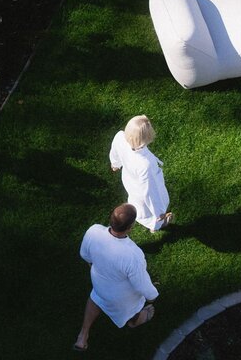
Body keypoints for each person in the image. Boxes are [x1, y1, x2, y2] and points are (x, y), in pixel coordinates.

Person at [74, 204, 158, 352]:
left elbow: (85, 256)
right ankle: (135, 321)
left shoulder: (93, 231)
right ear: (130, 227)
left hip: (99, 284)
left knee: (96, 297)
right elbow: (141, 285)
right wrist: (152, 297)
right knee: (134, 311)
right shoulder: (133, 255)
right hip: (121, 299)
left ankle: (83, 335)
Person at [109, 115, 173, 231]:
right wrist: (160, 212)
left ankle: (152, 220)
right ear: (147, 138)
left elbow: (115, 150)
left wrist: (115, 163)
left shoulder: (120, 137)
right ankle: (157, 224)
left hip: (130, 181)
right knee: (147, 211)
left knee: (136, 203)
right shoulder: (145, 165)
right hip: (141, 191)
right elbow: (150, 192)